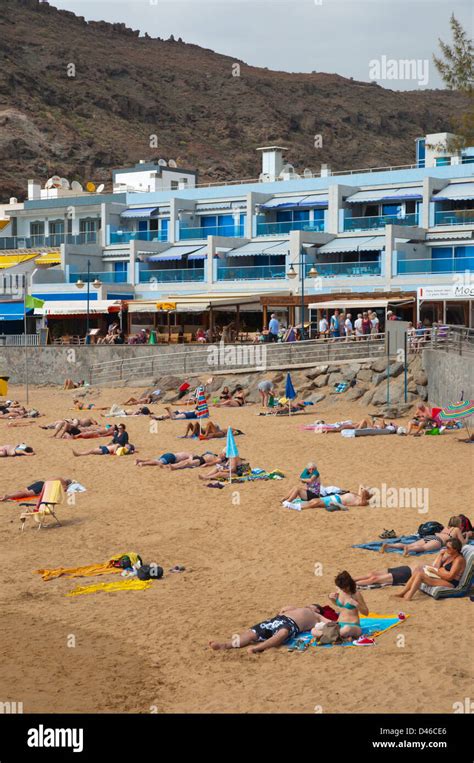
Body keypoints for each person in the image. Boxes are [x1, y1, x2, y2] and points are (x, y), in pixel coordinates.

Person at [209, 604, 322, 654]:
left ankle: (258, 648)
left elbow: (334, 622)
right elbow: (282, 610)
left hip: (292, 625)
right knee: (251, 634)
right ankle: (226, 645)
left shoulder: (317, 616)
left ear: (317, 609)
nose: (310, 606)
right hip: (278, 620)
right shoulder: (296, 607)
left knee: (282, 633)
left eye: (313, 606)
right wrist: (285, 610)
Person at [394, 539, 466, 600]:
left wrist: (435, 572)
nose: (446, 549)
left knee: (420, 575)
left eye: (448, 547)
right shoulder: (450, 555)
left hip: (450, 582)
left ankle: (409, 596)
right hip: (441, 577)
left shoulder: (458, 560)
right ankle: (403, 593)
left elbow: (450, 577)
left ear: (455, 549)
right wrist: (440, 555)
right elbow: (437, 567)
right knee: (418, 569)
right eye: (446, 547)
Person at [310, 571, 369, 641]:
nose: (343, 590)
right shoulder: (340, 591)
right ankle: (338, 637)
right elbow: (339, 606)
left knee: (346, 630)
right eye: (342, 588)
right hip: (339, 625)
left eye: (345, 588)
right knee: (313, 630)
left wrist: (357, 605)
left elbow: (366, 613)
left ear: (349, 584)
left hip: (353, 626)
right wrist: (331, 598)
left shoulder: (356, 594)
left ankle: (327, 636)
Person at [381, 516, 466, 556]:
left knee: (411, 544)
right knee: (423, 548)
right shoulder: (457, 530)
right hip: (438, 541)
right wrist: (467, 536)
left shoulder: (445, 528)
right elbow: (463, 543)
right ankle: (409, 550)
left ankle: (389, 545)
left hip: (431, 537)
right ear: (458, 524)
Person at [283, 484, 373, 511]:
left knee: (315, 503)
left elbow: (363, 491)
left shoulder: (362, 502)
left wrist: (366, 491)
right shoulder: (358, 496)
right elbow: (361, 486)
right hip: (335, 497)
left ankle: (296, 507)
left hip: (337, 500)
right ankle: (296, 504)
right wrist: (365, 489)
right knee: (315, 500)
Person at [0, 477, 72, 502]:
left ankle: (8, 495)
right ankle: (8, 496)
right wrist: (68, 487)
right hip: (42, 487)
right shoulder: (64, 483)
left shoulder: (59, 478)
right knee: (26, 494)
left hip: (40, 482)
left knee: (23, 491)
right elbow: (64, 490)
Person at [135, 451, 217, 468]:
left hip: (170, 455)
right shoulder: (191, 454)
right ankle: (143, 464)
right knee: (157, 462)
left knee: (155, 460)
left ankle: (140, 460)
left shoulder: (187, 453)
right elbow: (190, 458)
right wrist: (191, 459)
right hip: (172, 457)